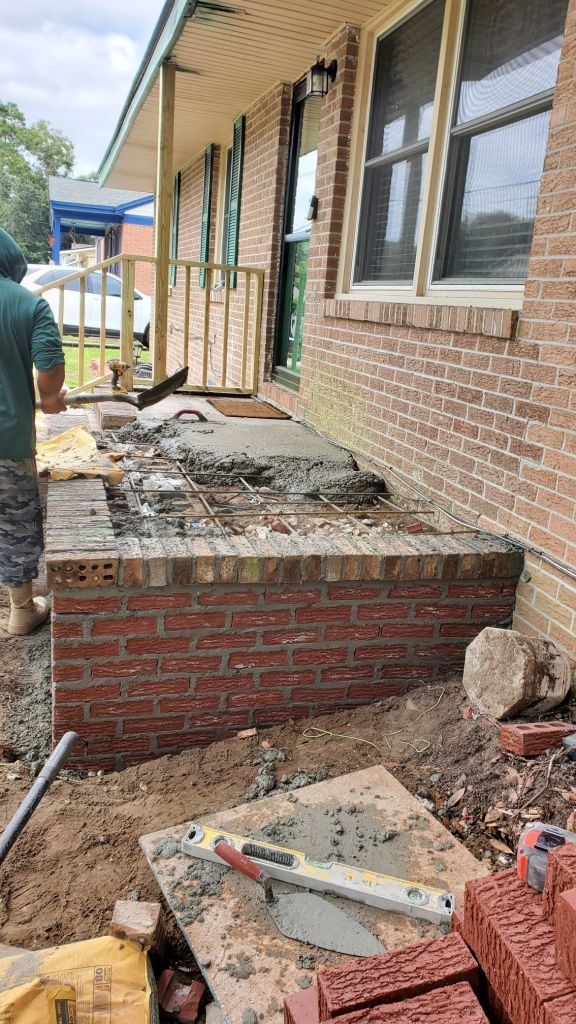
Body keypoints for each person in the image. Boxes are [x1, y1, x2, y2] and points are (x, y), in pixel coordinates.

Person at [0, 228, 66, 635]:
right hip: (7, 443)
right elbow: (50, 365)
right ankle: (22, 610)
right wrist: (51, 396)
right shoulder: (28, 304)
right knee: (14, 525)